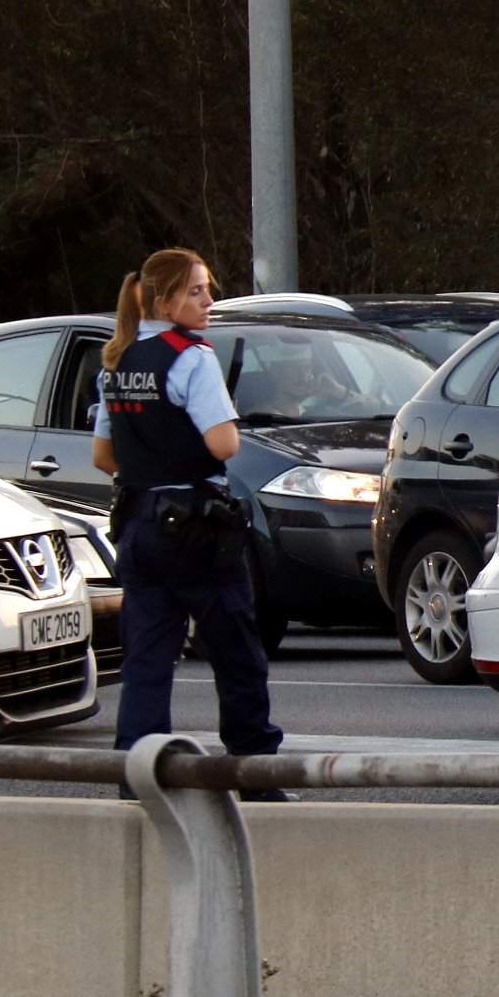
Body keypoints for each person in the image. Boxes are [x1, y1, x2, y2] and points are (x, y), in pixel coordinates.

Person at [91, 249, 288, 800]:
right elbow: (222, 444)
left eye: (207, 289)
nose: (208, 301)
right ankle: (255, 772)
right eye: (196, 291)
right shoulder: (191, 357)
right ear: (163, 299)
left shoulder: (118, 360)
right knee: (236, 652)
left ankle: (138, 777)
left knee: (148, 658)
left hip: (137, 524)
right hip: (197, 528)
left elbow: (103, 457)